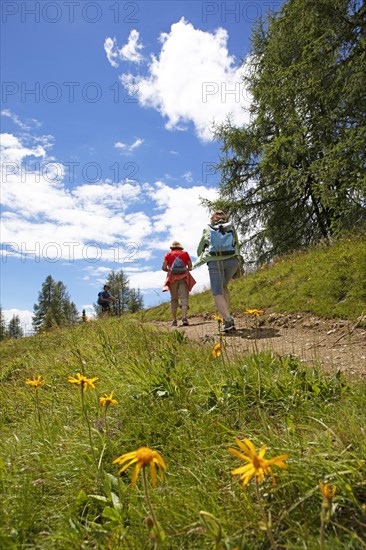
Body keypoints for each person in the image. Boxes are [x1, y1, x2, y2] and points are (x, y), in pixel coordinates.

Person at [193, 210, 240, 332]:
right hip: (232, 261)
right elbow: (236, 244)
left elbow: (200, 249)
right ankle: (226, 317)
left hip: (215, 261)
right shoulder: (231, 227)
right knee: (224, 286)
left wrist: (207, 258)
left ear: (212, 219)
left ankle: (228, 320)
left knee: (217, 292)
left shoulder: (208, 229)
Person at [162, 241, 196, 326]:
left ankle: (174, 320)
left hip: (172, 278)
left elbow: (163, 267)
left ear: (171, 248)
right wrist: (184, 269)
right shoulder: (185, 254)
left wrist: (170, 270)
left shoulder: (168, 255)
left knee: (174, 299)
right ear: (180, 247)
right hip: (184, 277)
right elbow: (190, 267)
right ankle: (184, 318)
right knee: (184, 298)